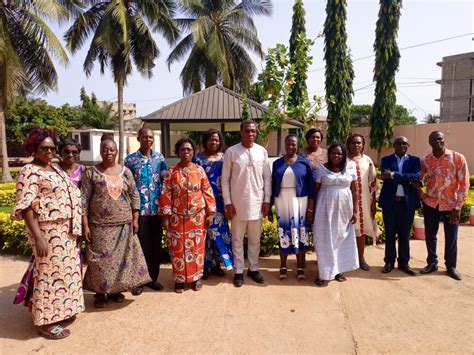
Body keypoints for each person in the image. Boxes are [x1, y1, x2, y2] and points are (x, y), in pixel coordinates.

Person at [12, 128, 84, 339]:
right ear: (34, 148)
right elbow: (26, 207)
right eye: (45, 148)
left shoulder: (54, 169)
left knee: (66, 274)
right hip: (48, 232)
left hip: (67, 233)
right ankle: (46, 323)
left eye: (52, 148)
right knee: (47, 276)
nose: (50, 151)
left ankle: (62, 311)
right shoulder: (29, 171)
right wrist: (39, 237)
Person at [81, 137, 151, 307]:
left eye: (112, 149)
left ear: (117, 151)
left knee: (121, 261)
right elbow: (83, 199)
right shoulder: (91, 173)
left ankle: (116, 290)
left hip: (123, 225)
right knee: (101, 261)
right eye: (105, 149)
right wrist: (85, 225)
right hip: (100, 225)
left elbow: (135, 195)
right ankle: (100, 293)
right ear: (100, 150)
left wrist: (135, 219)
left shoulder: (125, 172)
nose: (108, 152)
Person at [159, 138, 216, 293]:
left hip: (197, 218)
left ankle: (196, 278)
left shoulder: (199, 171)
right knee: (177, 249)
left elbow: (207, 191)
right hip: (177, 218)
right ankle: (179, 280)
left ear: (193, 152)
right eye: (183, 149)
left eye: (189, 149)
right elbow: (165, 194)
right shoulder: (172, 172)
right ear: (178, 151)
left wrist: (210, 213)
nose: (186, 152)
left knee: (196, 249)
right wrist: (165, 217)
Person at [222, 120, 272, 287]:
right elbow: (225, 179)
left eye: (253, 131)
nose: (250, 134)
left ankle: (253, 268)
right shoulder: (231, 152)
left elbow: (267, 177)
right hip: (237, 203)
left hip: (257, 202)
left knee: (255, 239)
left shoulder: (262, 152)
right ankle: (238, 271)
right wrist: (228, 202)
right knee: (236, 238)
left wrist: (267, 199)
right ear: (241, 132)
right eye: (247, 131)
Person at [419, 131, 469, 280]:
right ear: (429, 142)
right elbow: (418, 179)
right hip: (431, 204)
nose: (437, 141)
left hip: (451, 206)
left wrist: (458, 206)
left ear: (444, 139)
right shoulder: (425, 160)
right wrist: (422, 195)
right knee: (430, 235)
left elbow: (464, 183)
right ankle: (432, 263)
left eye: (440, 138)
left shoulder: (457, 158)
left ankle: (451, 266)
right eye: (434, 139)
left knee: (451, 236)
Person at [125, 128, 167, 294]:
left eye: (150, 137)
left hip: (156, 210)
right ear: (138, 138)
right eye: (144, 136)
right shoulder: (130, 160)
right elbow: (127, 186)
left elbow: (165, 180)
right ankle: (138, 280)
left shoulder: (159, 158)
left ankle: (153, 279)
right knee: (140, 247)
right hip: (139, 211)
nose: (148, 139)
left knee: (155, 246)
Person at [313, 144, 359, 286]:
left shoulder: (350, 167)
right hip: (324, 209)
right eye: (333, 153)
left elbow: (355, 190)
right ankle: (324, 273)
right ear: (329, 154)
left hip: (344, 209)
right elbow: (315, 191)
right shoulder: (321, 168)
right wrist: (311, 211)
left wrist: (355, 210)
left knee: (341, 238)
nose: (336, 156)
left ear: (343, 155)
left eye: (339, 154)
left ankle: (339, 271)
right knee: (324, 240)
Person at [271, 134, 314, 281]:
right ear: (284, 144)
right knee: (283, 231)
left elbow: (311, 186)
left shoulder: (304, 162)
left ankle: (300, 266)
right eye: (288, 144)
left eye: (293, 144)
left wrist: (310, 208)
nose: (291, 147)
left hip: (300, 200)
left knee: (300, 231)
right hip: (281, 199)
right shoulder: (277, 163)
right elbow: (272, 185)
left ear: (297, 145)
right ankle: (282, 265)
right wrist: (270, 204)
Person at [194, 129, 234, 279]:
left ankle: (217, 264)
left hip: (220, 201)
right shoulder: (197, 159)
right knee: (205, 234)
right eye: (211, 140)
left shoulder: (224, 158)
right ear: (205, 141)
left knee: (219, 234)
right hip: (202, 201)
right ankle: (204, 266)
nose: (214, 143)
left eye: (216, 140)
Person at [379, 136, 421, 275]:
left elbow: (416, 177)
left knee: (404, 235)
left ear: (408, 145)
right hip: (390, 203)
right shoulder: (386, 160)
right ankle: (389, 262)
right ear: (394, 145)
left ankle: (404, 263)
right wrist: (405, 178)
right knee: (390, 234)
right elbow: (385, 176)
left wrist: (394, 174)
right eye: (398, 143)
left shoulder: (415, 160)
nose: (401, 145)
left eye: (404, 143)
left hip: (407, 204)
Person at [346, 133, 378, 271]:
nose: (356, 145)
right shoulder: (344, 160)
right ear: (348, 144)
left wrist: (373, 203)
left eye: (359, 143)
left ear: (363, 145)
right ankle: (345, 260)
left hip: (364, 200)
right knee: (346, 230)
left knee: (361, 229)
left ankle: (361, 257)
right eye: (353, 143)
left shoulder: (367, 160)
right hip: (346, 201)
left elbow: (374, 183)